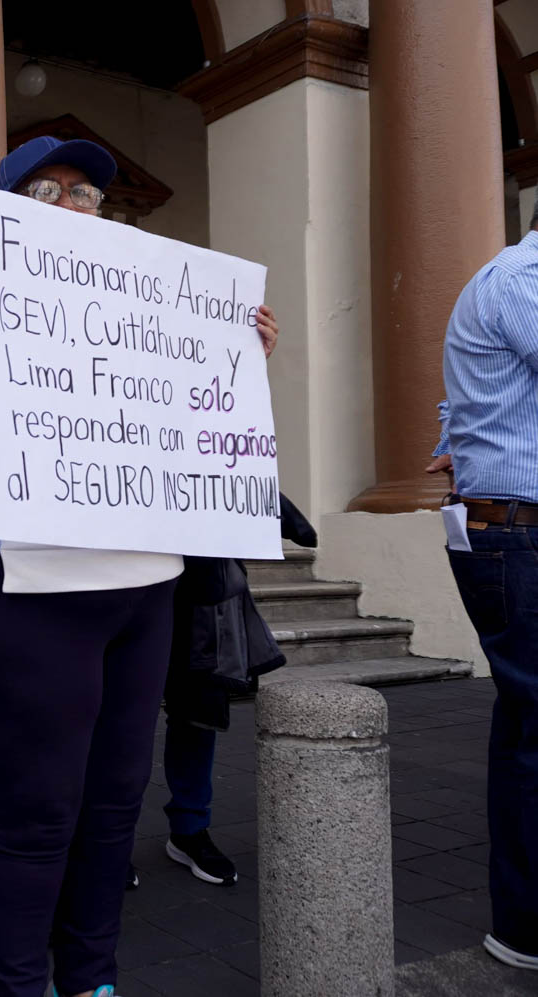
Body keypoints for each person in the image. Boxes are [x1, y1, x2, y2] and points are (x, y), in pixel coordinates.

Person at [0, 135, 273, 997]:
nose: (73, 205)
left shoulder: (144, 312)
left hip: (142, 586)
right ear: (1, 216)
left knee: (112, 809)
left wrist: (232, 365)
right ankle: (19, 984)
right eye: (47, 189)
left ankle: (91, 980)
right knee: (35, 818)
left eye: (88, 195)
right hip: (26, 590)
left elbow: (193, 448)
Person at [440, 205, 538, 973]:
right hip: (521, 534)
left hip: (509, 529)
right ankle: (526, 924)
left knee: (527, 726)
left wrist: (460, 442)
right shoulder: (524, 278)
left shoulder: (504, 279)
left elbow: (464, 405)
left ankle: (523, 921)